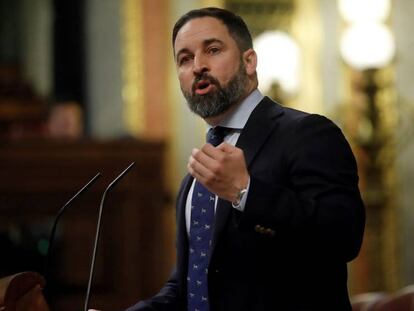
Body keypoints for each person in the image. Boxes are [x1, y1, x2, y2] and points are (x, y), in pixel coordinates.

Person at [95, 7, 365, 311]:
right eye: (185, 59)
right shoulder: (197, 175)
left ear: (249, 61)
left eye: (212, 50)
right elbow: (190, 285)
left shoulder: (307, 133)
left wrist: (245, 192)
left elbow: (344, 236)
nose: (198, 66)